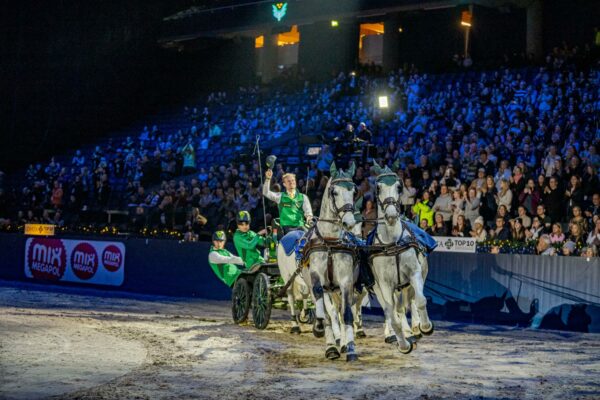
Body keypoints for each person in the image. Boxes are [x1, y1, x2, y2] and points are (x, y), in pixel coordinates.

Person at [263, 169, 313, 235]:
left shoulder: (303, 197)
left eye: (293, 180)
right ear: (284, 184)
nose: (291, 182)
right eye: (288, 181)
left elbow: (308, 212)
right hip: (286, 228)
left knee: (310, 237)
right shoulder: (280, 196)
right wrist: (268, 179)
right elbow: (266, 193)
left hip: (300, 227)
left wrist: (309, 218)